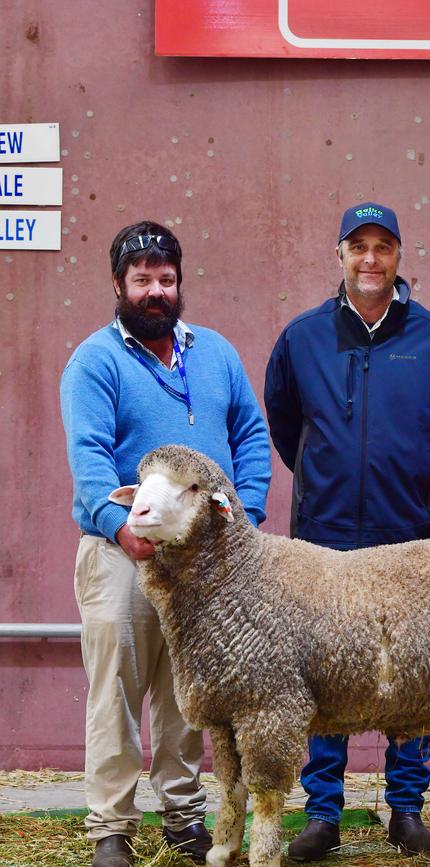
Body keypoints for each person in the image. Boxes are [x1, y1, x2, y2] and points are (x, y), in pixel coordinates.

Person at [264, 202, 430, 861]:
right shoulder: (302, 338)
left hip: (411, 537)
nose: (371, 259)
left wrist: (409, 475)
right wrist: (329, 476)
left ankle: (405, 809)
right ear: (340, 254)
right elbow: (285, 424)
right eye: (359, 246)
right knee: (322, 677)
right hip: (324, 537)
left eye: (383, 246)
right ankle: (323, 813)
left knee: (413, 675)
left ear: (399, 256)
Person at [60, 221, 271, 867]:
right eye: (143, 279)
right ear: (119, 284)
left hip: (202, 565)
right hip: (122, 551)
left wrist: (247, 514)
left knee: (191, 697)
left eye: (167, 279)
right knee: (117, 692)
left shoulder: (215, 354)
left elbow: (252, 435)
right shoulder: (95, 359)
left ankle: (183, 819)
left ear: (180, 283)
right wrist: (118, 523)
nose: (156, 290)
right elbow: (90, 454)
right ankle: (111, 829)